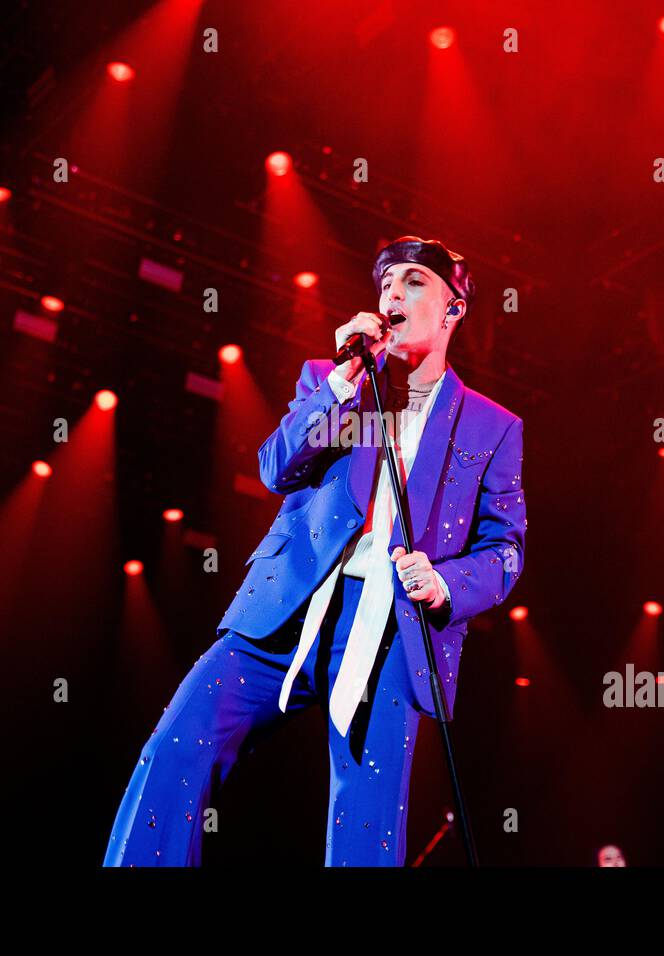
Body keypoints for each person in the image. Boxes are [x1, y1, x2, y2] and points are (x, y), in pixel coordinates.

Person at [103, 236, 526, 866]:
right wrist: (343, 381)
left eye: (413, 282)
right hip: (290, 601)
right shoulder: (339, 384)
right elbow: (277, 467)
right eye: (386, 285)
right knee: (176, 745)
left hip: (391, 624)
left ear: (453, 309)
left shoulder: (492, 425)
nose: (393, 295)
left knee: (366, 820)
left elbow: (506, 548)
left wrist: (444, 583)